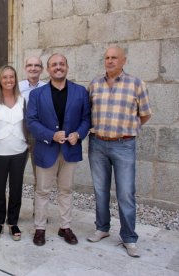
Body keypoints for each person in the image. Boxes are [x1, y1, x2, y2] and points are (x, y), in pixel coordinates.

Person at [87, 46, 152, 258]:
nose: (110, 61)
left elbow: (145, 114)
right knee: (100, 190)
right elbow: (87, 112)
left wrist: (127, 130)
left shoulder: (136, 84)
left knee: (125, 193)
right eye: (107, 58)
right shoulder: (95, 84)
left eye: (114, 58)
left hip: (124, 145)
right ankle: (102, 228)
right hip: (97, 144)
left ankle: (129, 237)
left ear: (123, 60)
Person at [26, 53, 91, 247]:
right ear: (48, 69)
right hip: (47, 149)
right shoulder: (37, 94)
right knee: (42, 191)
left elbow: (86, 118)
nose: (58, 67)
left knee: (66, 190)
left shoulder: (80, 92)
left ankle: (65, 226)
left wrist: (78, 134)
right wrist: (50, 135)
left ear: (67, 67)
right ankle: (40, 228)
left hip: (70, 149)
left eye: (62, 64)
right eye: (54, 64)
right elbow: (31, 121)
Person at [0, 65, 28, 241]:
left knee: (16, 188)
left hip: (19, 150)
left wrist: (28, 142)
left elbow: (25, 124)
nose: (9, 80)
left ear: (15, 79)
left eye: (12, 77)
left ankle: (13, 222)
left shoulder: (22, 99)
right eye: (5, 77)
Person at [18, 56, 46, 210]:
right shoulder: (17, 87)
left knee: (40, 175)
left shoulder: (47, 87)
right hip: (20, 134)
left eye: (37, 65)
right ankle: (14, 211)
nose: (33, 68)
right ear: (25, 68)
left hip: (39, 136)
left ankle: (39, 210)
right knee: (16, 174)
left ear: (42, 69)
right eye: (30, 65)